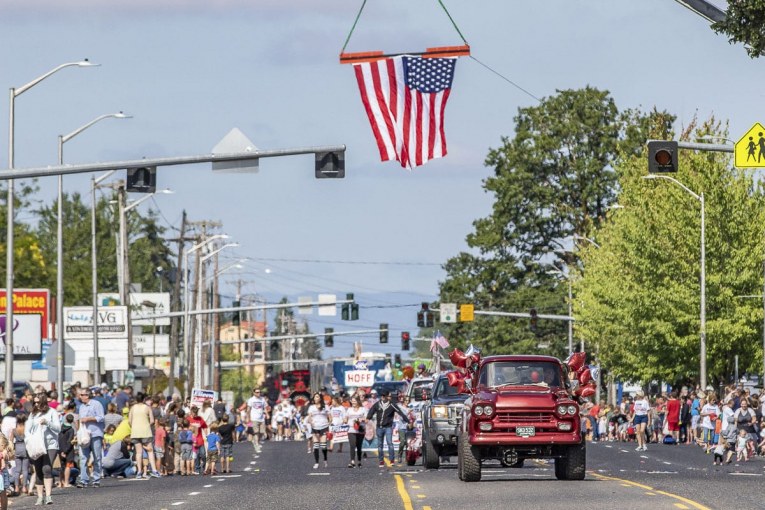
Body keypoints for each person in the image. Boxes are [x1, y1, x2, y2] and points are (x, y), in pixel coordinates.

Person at [25, 393, 60, 506]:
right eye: (34, 402)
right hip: (37, 446)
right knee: (38, 470)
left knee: (47, 468)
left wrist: (47, 423)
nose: (36, 404)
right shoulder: (33, 414)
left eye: (38, 402)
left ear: (44, 402)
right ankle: (40, 497)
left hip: (51, 445)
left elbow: (58, 429)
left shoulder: (52, 412)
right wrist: (28, 439)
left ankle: (48, 495)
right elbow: (27, 429)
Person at [366, 389, 410, 467]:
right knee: (380, 445)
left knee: (390, 443)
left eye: (384, 396)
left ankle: (392, 460)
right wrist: (368, 418)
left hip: (388, 427)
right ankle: (381, 461)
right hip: (379, 427)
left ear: (387, 397)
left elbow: (400, 412)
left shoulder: (391, 404)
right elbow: (371, 411)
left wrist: (407, 420)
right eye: (381, 396)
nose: (382, 397)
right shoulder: (377, 404)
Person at [76, 387, 105, 488]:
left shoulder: (96, 404)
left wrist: (89, 419)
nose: (80, 397)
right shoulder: (81, 407)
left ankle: (96, 479)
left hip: (95, 433)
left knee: (97, 457)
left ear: (87, 395)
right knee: (83, 457)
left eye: (82, 395)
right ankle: (84, 480)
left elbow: (101, 417)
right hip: (84, 435)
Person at [128, 392, 161, 479]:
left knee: (139, 452)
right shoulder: (147, 408)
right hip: (146, 431)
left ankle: (139, 472)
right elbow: (152, 421)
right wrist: (146, 424)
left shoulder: (132, 408)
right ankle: (154, 470)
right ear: (143, 399)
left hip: (135, 432)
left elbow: (129, 421)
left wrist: (134, 426)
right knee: (150, 451)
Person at [306, 393, 330, 469]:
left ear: (320, 398)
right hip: (315, 427)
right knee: (316, 445)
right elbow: (309, 417)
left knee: (323, 446)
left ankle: (325, 460)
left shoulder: (325, 407)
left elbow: (330, 417)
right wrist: (310, 422)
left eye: (317, 397)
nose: (315, 398)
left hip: (324, 426)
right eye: (314, 397)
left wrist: (330, 423)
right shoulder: (311, 407)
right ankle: (316, 462)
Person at [345, 396, 366, 468]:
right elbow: (346, 418)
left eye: (354, 401)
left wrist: (361, 419)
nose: (353, 402)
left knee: (359, 446)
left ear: (358, 401)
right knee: (352, 445)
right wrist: (344, 421)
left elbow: (366, 419)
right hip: (351, 429)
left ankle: (359, 461)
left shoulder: (362, 409)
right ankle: (352, 461)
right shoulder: (349, 409)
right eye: (352, 401)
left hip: (360, 429)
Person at [245, 389, 268, 453]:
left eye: (259, 392)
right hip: (254, 418)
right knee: (256, 432)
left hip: (261, 418)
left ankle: (256, 442)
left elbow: (265, 408)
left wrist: (267, 414)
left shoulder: (262, 399)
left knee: (262, 432)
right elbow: (248, 409)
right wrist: (248, 418)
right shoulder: (251, 400)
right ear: (254, 393)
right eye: (257, 392)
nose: (259, 393)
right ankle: (257, 445)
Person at [12, 414, 28, 495]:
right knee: (25, 469)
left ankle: (16, 487)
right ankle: (24, 487)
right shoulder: (26, 429)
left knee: (17, 470)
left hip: (17, 448)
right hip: (25, 448)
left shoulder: (14, 430)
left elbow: (10, 441)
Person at [57, 414, 76, 488]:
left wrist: (61, 450)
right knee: (68, 466)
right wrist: (65, 451)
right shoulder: (71, 430)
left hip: (60, 448)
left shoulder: (61, 428)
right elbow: (69, 441)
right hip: (68, 450)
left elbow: (59, 439)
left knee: (62, 466)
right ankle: (66, 483)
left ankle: (60, 482)